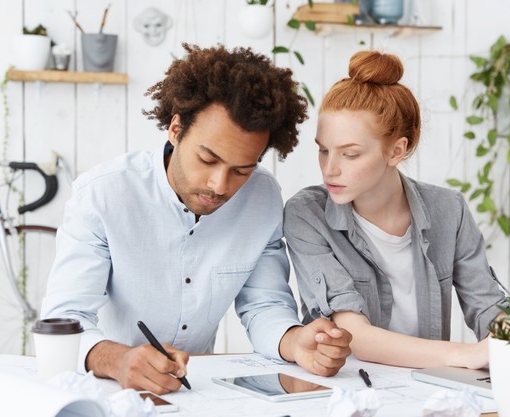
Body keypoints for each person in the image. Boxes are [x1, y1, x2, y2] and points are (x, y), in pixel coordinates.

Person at [41, 43, 351, 395]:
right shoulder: (103, 195)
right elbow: (64, 320)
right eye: (207, 159)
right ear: (176, 129)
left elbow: (264, 304)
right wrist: (119, 360)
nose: (220, 186)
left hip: (196, 393)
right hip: (102, 391)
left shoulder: (262, 198)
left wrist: (295, 342)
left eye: (241, 170)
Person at [283, 50, 506, 370]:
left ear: (396, 150)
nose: (329, 169)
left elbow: (487, 307)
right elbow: (353, 333)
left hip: (428, 389)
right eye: (323, 150)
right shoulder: (307, 215)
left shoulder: (449, 210)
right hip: (349, 388)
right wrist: (465, 355)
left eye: (350, 154)